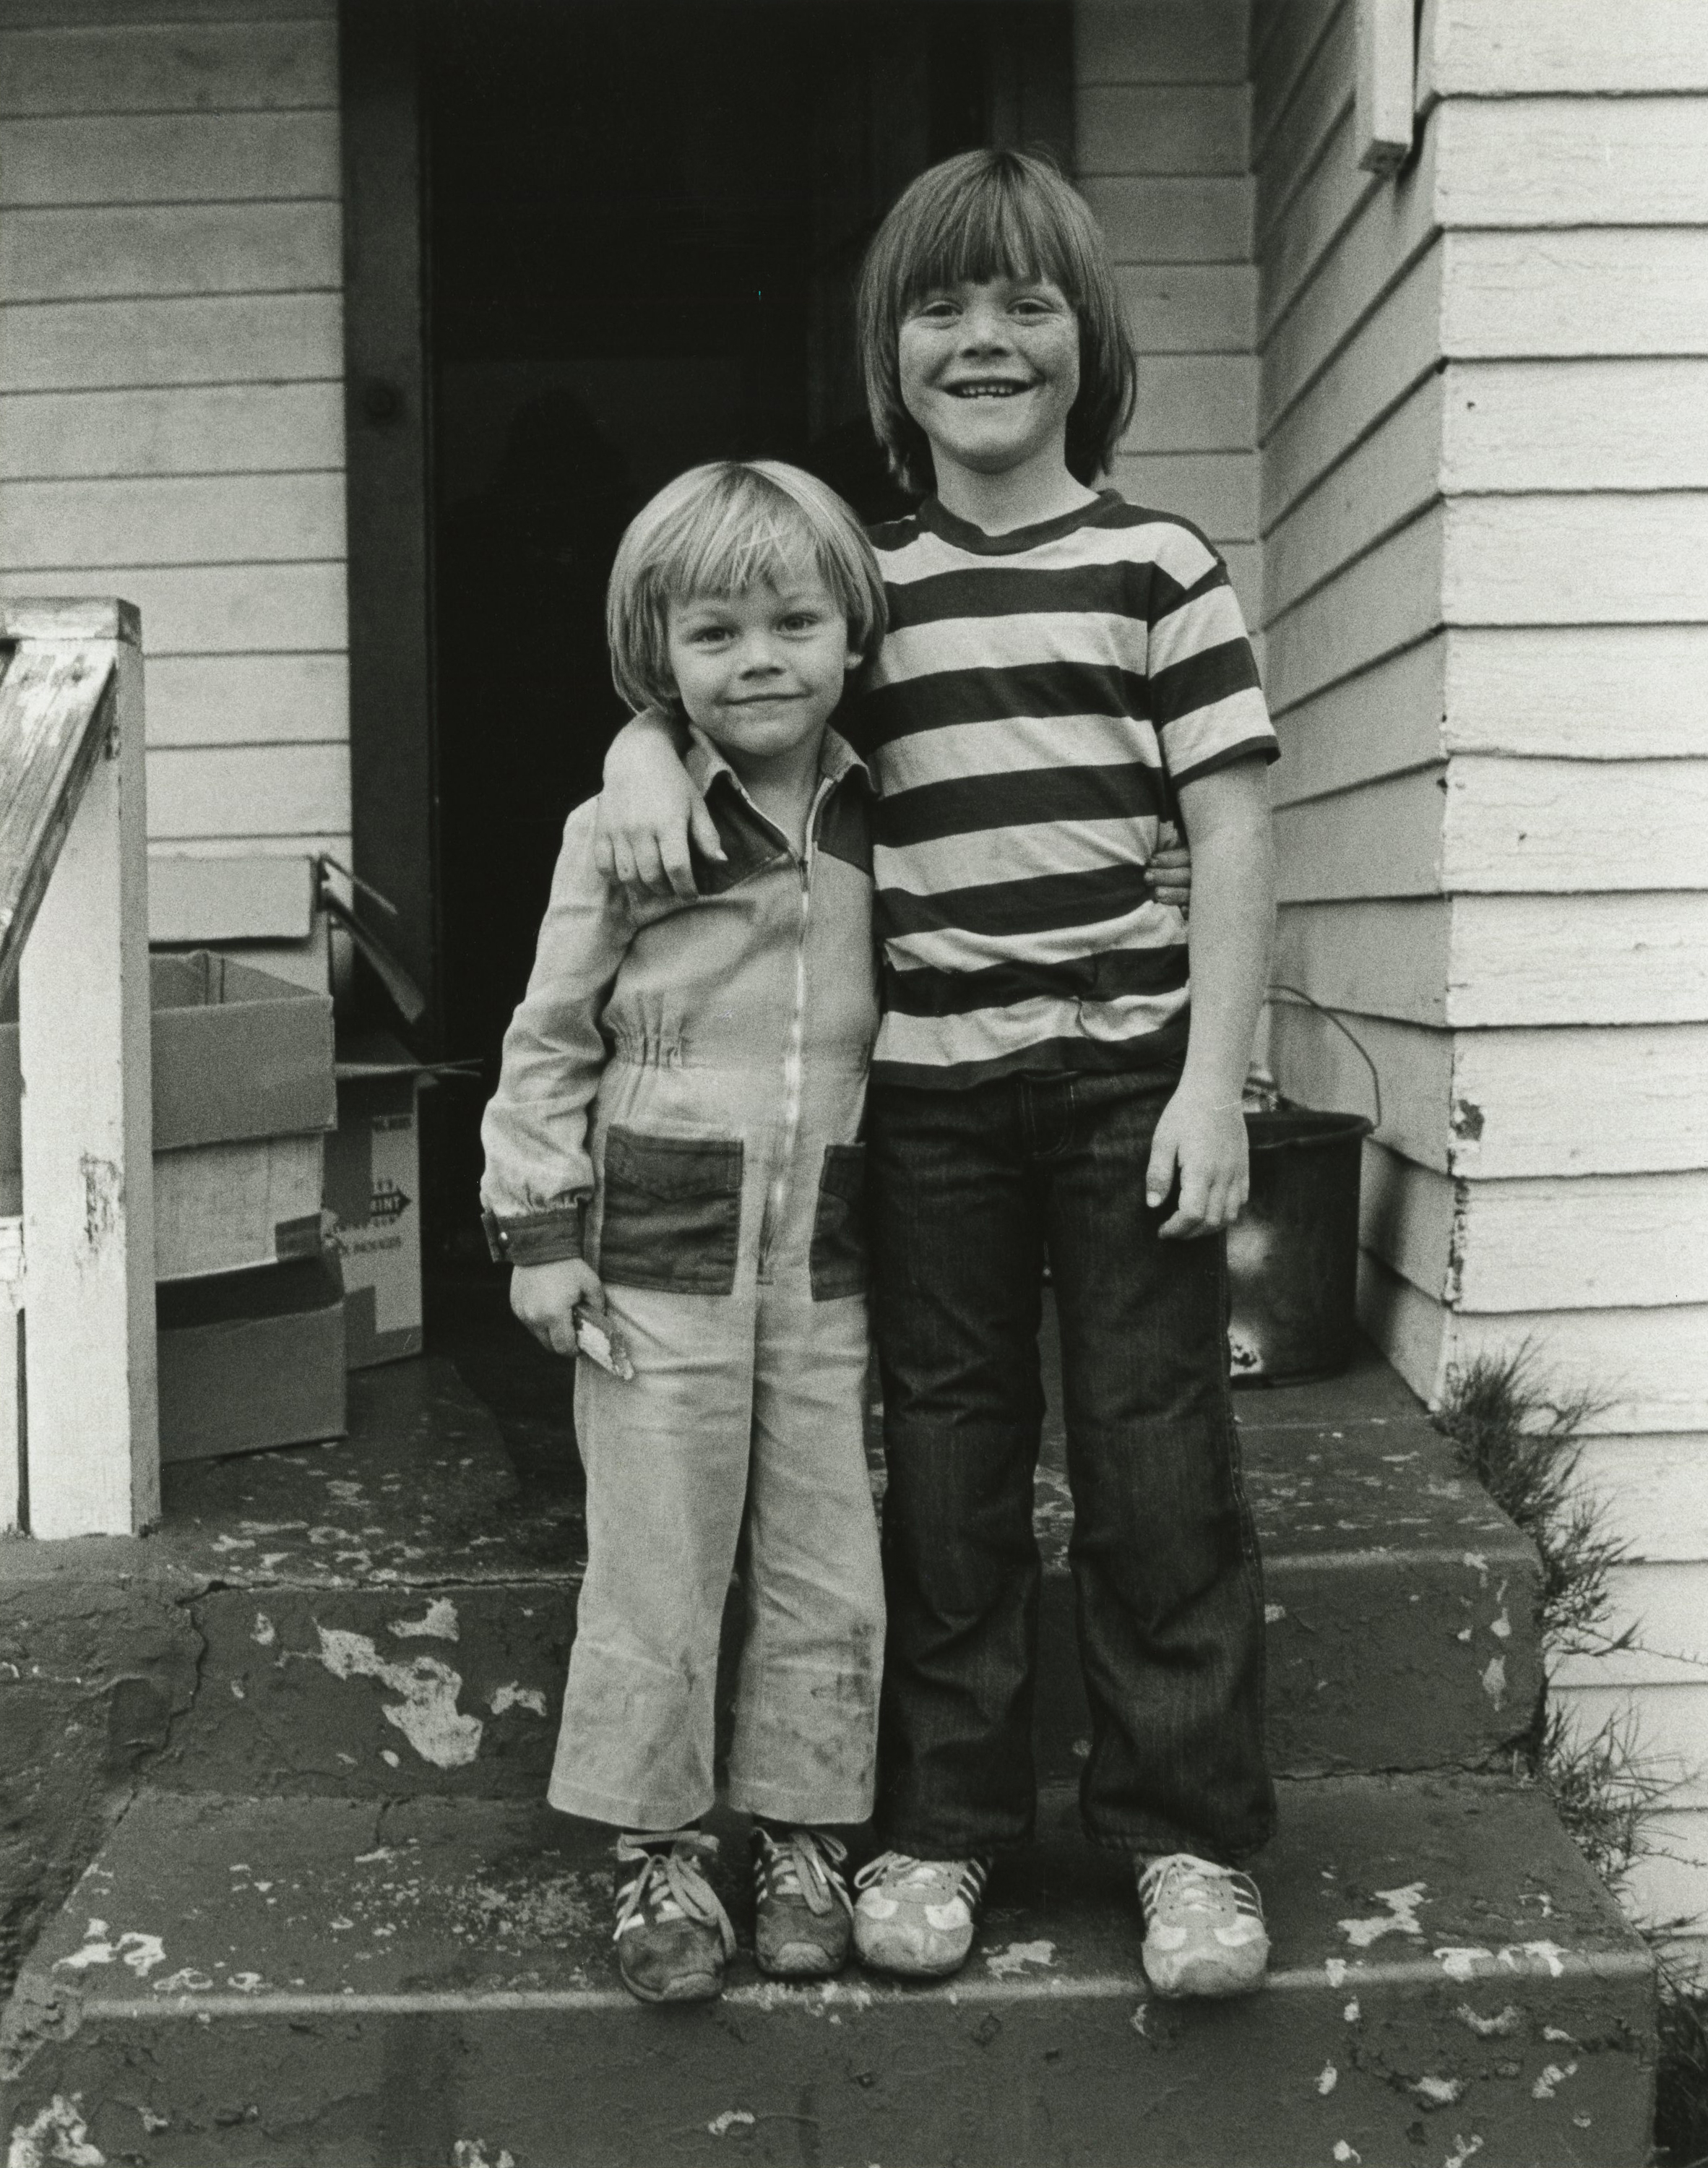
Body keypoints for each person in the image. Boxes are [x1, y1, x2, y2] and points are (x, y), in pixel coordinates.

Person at [595, 148, 1279, 2000]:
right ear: (886, 352)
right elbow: (740, 678)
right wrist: (639, 753)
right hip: (932, 1109)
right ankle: (945, 1827)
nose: (984, 338)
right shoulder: (865, 588)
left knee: (1154, 1465)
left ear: (1091, 335)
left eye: (1025, 302)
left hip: (1132, 1084)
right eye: (941, 307)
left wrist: (1216, 1083)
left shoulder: (1160, 566)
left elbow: (1223, 840)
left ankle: (1185, 1840)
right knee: (951, 1471)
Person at [478, 459, 889, 2005]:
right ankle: (658, 1851)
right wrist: (537, 1227)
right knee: (658, 1554)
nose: (759, 659)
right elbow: (548, 1032)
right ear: (657, 659)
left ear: (851, 631)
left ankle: (798, 1834)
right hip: (654, 1244)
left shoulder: (876, 804)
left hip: (828, 1244)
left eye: (793, 621)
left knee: (823, 1552)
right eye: (713, 636)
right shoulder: (627, 826)